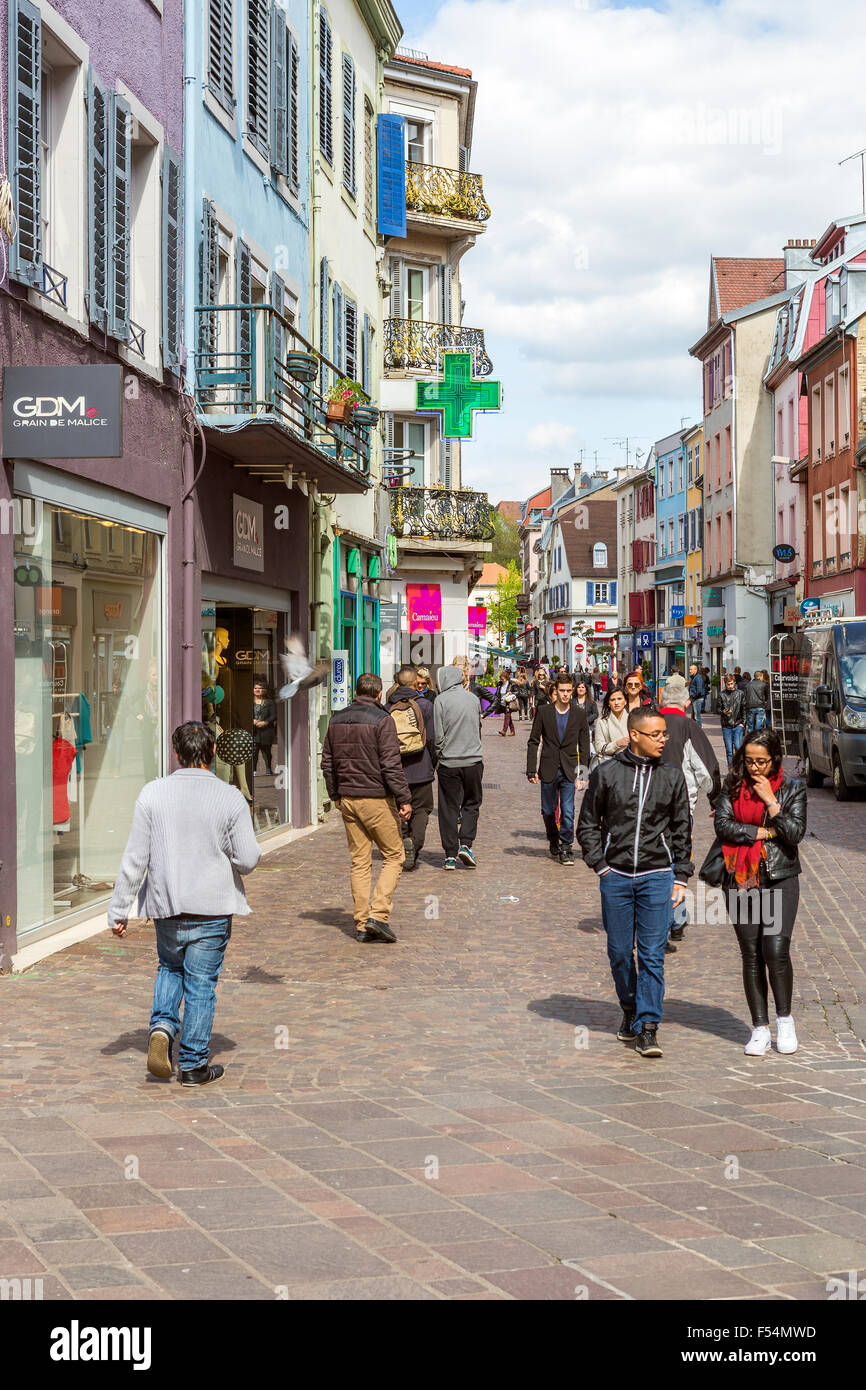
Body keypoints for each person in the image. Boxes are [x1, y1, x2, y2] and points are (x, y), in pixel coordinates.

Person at [108, 721, 261, 1086]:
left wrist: (119, 909)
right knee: (201, 983)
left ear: (176, 753)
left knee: (169, 968)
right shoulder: (230, 797)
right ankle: (192, 1064)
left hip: (167, 901)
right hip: (211, 904)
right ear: (211, 753)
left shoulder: (153, 793)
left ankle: (162, 1026)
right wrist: (226, 854)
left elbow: (135, 857)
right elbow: (249, 858)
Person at [577, 707, 693, 1058]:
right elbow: (587, 824)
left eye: (664, 734)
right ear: (636, 735)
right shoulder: (607, 773)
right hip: (616, 876)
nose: (663, 739)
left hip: (657, 876)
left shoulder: (672, 776)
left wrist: (682, 876)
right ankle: (629, 1007)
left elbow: (681, 829)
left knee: (653, 955)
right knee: (618, 952)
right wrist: (600, 865)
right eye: (656, 734)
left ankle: (647, 1026)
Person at [709, 729, 806, 1057]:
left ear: (774, 759)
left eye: (761, 761)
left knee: (776, 951)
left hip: (780, 877)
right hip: (741, 876)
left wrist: (771, 801)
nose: (754, 768)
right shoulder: (733, 784)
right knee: (751, 953)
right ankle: (760, 1028)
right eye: (749, 760)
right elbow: (722, 825)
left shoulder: (793, 789)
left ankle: (785, 1021)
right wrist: (762, 831)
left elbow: (794, 834)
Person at [321, 673, 412, 944]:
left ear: (355, 691)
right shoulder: (383, 720)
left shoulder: (336, 719)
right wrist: (404, 798)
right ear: (379, 694)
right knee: (394, 856)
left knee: (359, 861)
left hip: (348, 797)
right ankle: (378, 915)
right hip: (374, 797)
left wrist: (335, 793)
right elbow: (391, 764)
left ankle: (362, 922)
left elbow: (327, 762)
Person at [657, 681, 722, 952]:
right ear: (686, 704)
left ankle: (660, 920)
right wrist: (716, 800)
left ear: (662, 701)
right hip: (681, 806)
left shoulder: (649, 724)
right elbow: (708, 770)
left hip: (647, 804)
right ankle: (676, 919)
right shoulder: (690, 727)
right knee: (679, 859)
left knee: (656, 862)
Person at [527, 672, 590, 865]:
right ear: (556, 691)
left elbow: (585, 745)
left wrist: (583, 773)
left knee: (568, 810)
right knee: (547, 810)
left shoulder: (579, 714)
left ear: (572, 691)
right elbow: (534, 741)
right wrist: (531, 769)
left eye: (568, 691)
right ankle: (553, 837)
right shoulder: (544, 712)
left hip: (570, 768)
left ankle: (566, 847)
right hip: (548, 767)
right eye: (562, 691)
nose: (565, 694)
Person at [434, 663, 484, 870]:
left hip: (449, 762)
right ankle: (466, 843)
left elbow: (438, 734)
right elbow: (477, 727)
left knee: (448, 808)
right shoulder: (472, 699)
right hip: (473, 760)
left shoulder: (441, 700)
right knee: (472, 803)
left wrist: (441, 752)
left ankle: (450, 855)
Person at [387, 666, 436, 871]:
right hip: (421, 766)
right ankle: (414, 845)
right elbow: (432, 738)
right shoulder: (424, 705)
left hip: (396, 769)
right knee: (422, 809)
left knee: (399, 810)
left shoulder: (388, 706)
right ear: (416, 682)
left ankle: (404, 841)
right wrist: (431, 763)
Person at [594, 687, 629, 763]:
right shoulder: (602, 721)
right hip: (610, 764)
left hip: (631, 763)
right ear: (609, 704)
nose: (616, 703)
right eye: (612, 700)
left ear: (625, 701)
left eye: (619, 699)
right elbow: (599, 747)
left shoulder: (632, 719)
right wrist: (616, 744)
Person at [719, 673, 746, 769]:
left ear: (734, 682)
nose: (730, 686)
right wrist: (723, 711)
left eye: (731, 683)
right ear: (725, 684)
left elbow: (744, 708)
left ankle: (740, 769)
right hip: (726, 725)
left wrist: (743, 723)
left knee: (738, 748)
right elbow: (718, 708)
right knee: (729, 750)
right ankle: (731, 771)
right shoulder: (722, 694)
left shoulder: (740, 693)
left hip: (738, 724)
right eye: (728, 684)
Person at [252, 680, 277, 775]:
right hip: (254, 731)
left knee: (266, 752)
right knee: (254, 752)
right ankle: (253, 771)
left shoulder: (269, 702)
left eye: (261, 688)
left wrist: (265, 722)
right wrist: (252, 720)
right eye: (256, 688)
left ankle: (268, 769)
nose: (258, 690)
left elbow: (274, 715)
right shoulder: (250, 701)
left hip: (266, 731)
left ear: (265, 690)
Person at [744, 669, 769, 734]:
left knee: (750, 726)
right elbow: (766, 695)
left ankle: (750, 740)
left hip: (750, 706)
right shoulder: (764, 684)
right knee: (759, 725)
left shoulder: (748, 685)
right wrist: (765, 702)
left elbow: (745, 696)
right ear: (760, 676)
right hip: (760, 706)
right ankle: (757, 739)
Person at [687, 662, 708, 727]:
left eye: (691, 669)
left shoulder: (697, 677)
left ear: (695, 670)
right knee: (694, 716)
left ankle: (699, 730)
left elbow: (699, 690)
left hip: (697, 699)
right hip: (696, 699)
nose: (689, 671)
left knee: (697, 716)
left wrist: (693, 696)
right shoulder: (694, 677)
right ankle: (694, 729)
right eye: (689, 669)